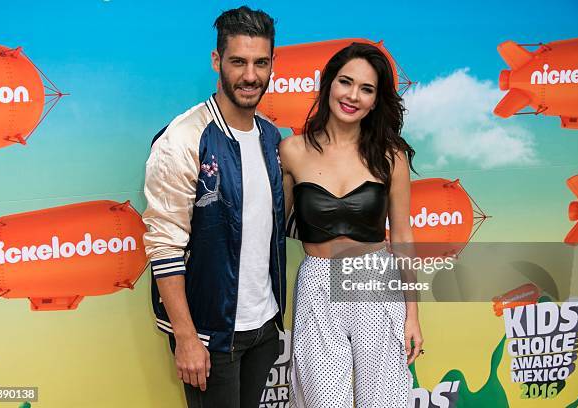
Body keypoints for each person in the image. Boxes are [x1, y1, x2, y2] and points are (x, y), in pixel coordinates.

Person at [142, 6, 286, 408]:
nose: (250, 75)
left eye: (261, 62)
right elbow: (164, 247)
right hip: (209, 335)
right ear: (216, 60)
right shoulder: (182, 140)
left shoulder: (272, 138)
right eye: (238, 61)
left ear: (273, 63)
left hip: (264, 327)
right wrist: (186, 338)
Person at [280, 42, 423, 407]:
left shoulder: (391, 157)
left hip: (375, 279)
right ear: (329, 84)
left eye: (367, 89)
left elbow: (403, 237)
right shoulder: (292, 151)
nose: (353, 96)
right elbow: (272, 225)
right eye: (346, 82)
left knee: (385, 401)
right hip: (316, 283)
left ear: (376, 101)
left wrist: (412, 314)